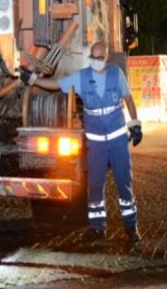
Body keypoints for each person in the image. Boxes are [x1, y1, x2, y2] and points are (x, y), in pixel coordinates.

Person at [20, 41, 143, 244]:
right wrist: (33, 79)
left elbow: (128, 99)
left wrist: (135, 124)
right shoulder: (82, 77)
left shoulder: (116, 74)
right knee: (95, 185)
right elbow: (57, 85)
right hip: (96, 144)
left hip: (117, 140)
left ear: (106, 58)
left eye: (99, 58)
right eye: (92, 58)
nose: (95, 61)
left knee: (124, 184)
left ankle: (131, 226)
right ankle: (97, 228)